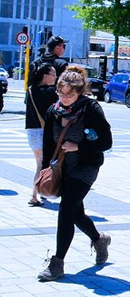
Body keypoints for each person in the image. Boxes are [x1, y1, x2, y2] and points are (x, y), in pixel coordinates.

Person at [37, 65, 113, 282]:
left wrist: (78, 147)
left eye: (70, 94)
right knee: (75, 213)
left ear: (80, 92)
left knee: (66, 210)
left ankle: (57, 263)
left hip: (86, 167)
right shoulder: (54, 110)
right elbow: (48, 143)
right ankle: (99, 240)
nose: (64, 97)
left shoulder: (91, 109)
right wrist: (43, 172)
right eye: (61, 92)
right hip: (62, 168)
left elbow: (106, 142)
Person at [26, 63, 58, 206]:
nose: (56, 77)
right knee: (41, 165)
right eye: (54, 74)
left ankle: (41, 191)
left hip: (31, 131)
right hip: (44, 132)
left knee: (39, 163)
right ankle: (34, 195)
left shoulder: (31, 89)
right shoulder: (51, 92)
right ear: (45, 76)